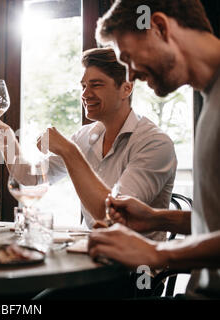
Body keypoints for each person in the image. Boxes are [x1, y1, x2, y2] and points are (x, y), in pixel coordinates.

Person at [87, 0, 220, 299]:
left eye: (129, 58)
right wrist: (157, 218)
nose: (130, 76)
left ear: (158, 27)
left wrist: (159, 252)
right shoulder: (209, 98)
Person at [0, 48, 177, 237]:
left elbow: (115, 217)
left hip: (136, 262)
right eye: (83, 86)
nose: (85, 94)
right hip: (91, 251)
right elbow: (30, 178)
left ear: (126, 88)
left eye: (96, 85)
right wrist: (8, 144)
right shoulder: (83, 137)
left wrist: (68, 150)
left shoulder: (155, 144)